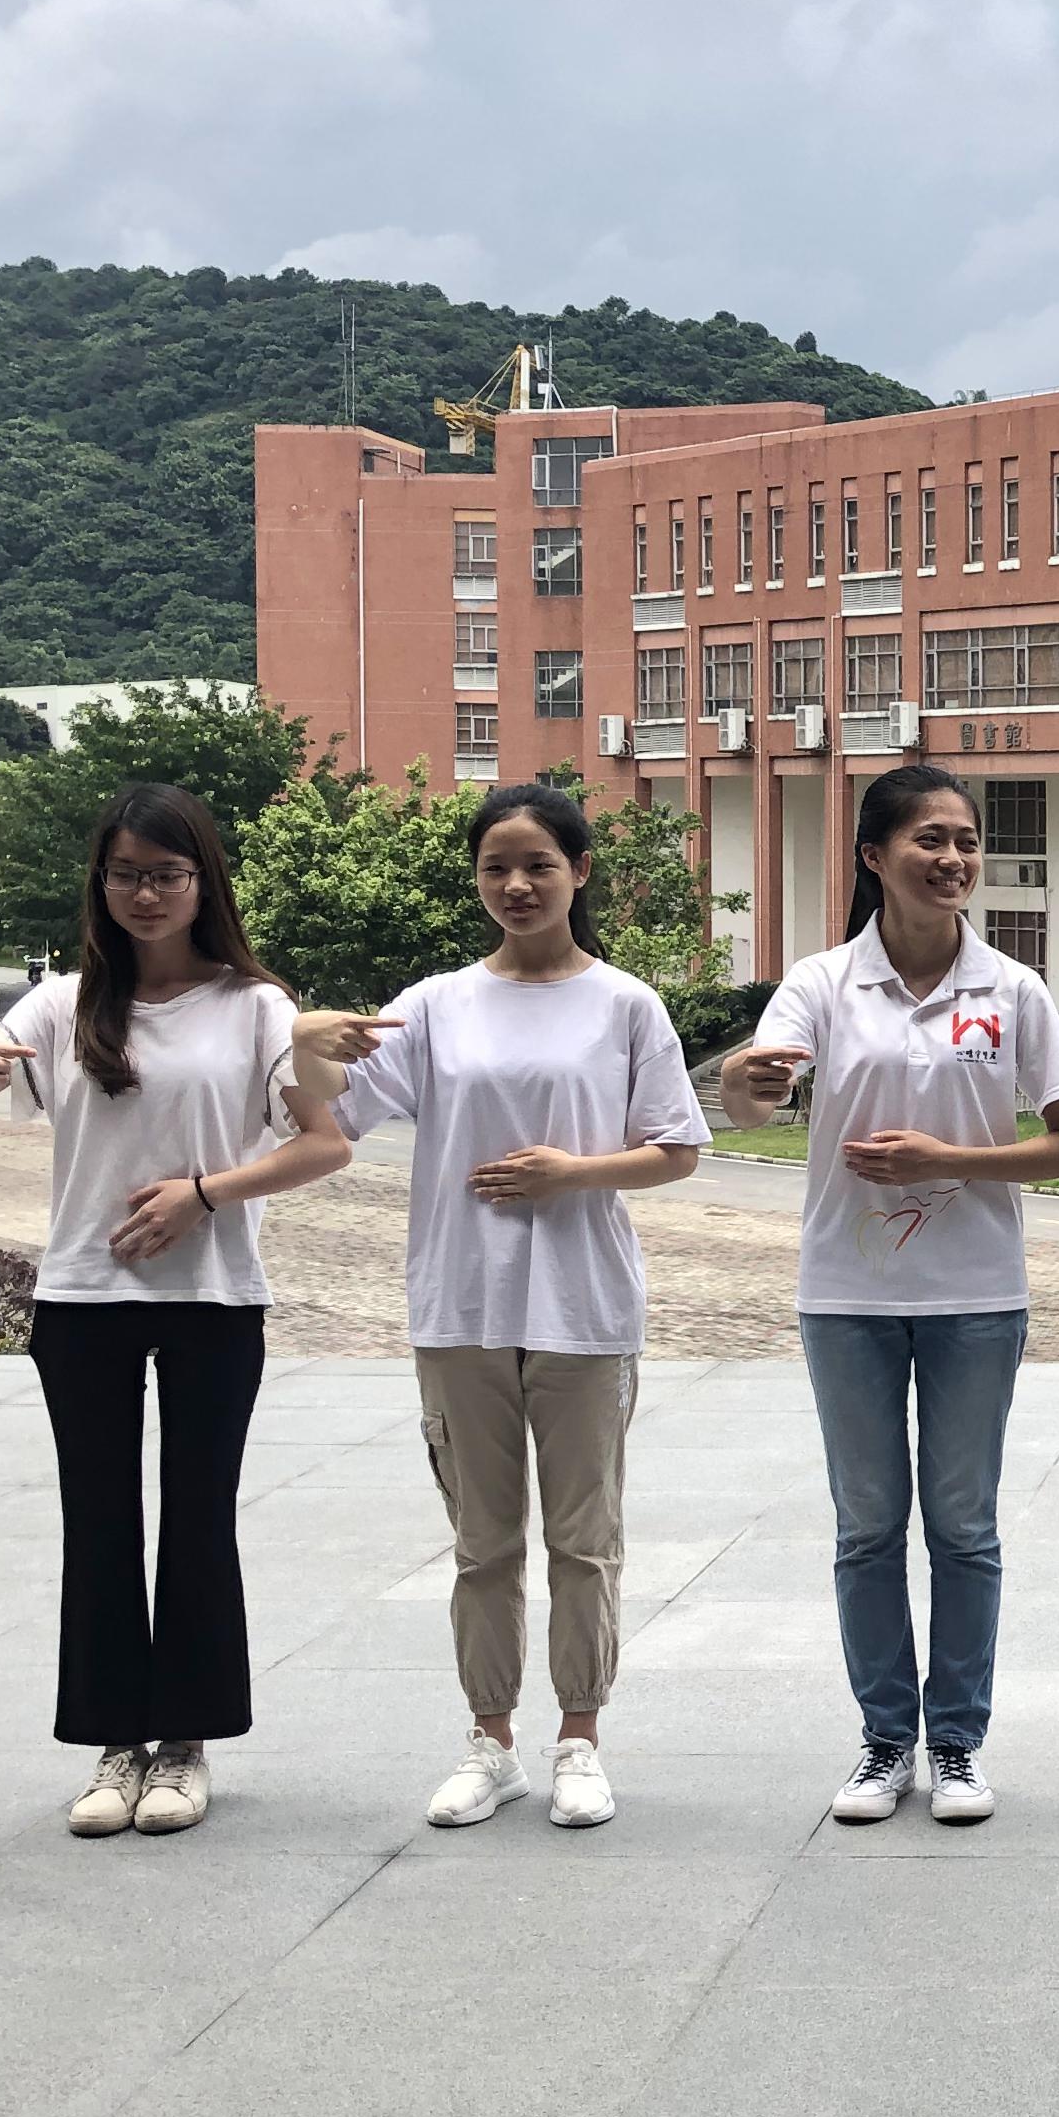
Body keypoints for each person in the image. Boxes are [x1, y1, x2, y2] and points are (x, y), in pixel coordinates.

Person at [0, 782, 351, 1840]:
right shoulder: (62, 1005)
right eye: (125, 874)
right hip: (81, 1295)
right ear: (100, 883)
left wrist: (203, 1194)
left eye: (166, 874)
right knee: (99, 1521)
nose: (145, 894)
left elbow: (324, 1144)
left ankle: (187, 1744)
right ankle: (116, 1744)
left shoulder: (258, 1007)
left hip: (212, 1296)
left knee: (198, 1519)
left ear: (203, 881)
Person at [305, 782, 709, 1835]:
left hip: (584, 1307)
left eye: (539, 865)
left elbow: (676, 1148)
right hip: (461, 1302)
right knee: (482, 1543)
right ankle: (490, 1741)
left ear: (580, 872)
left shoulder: (625, 1004)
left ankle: (580, 1739)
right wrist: (298, 1047)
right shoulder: (438, 1003)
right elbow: (337, 1118)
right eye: (496, 868)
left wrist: (573, 1172)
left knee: (584, 1539)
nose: (517, 885)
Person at [722, 765, 1059, 1825]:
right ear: (874, 856)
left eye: (965, 840)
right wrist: (745, 1082)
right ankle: (887, 1740)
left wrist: (951, 1159)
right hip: (847, 1293)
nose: (953, 859)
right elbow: (755, 1103)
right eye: (929, 839)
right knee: (868, 1526)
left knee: (965, 1528)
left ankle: (959, 1742)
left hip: (977, 1294)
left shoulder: (1010, 990)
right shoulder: (823, 983)